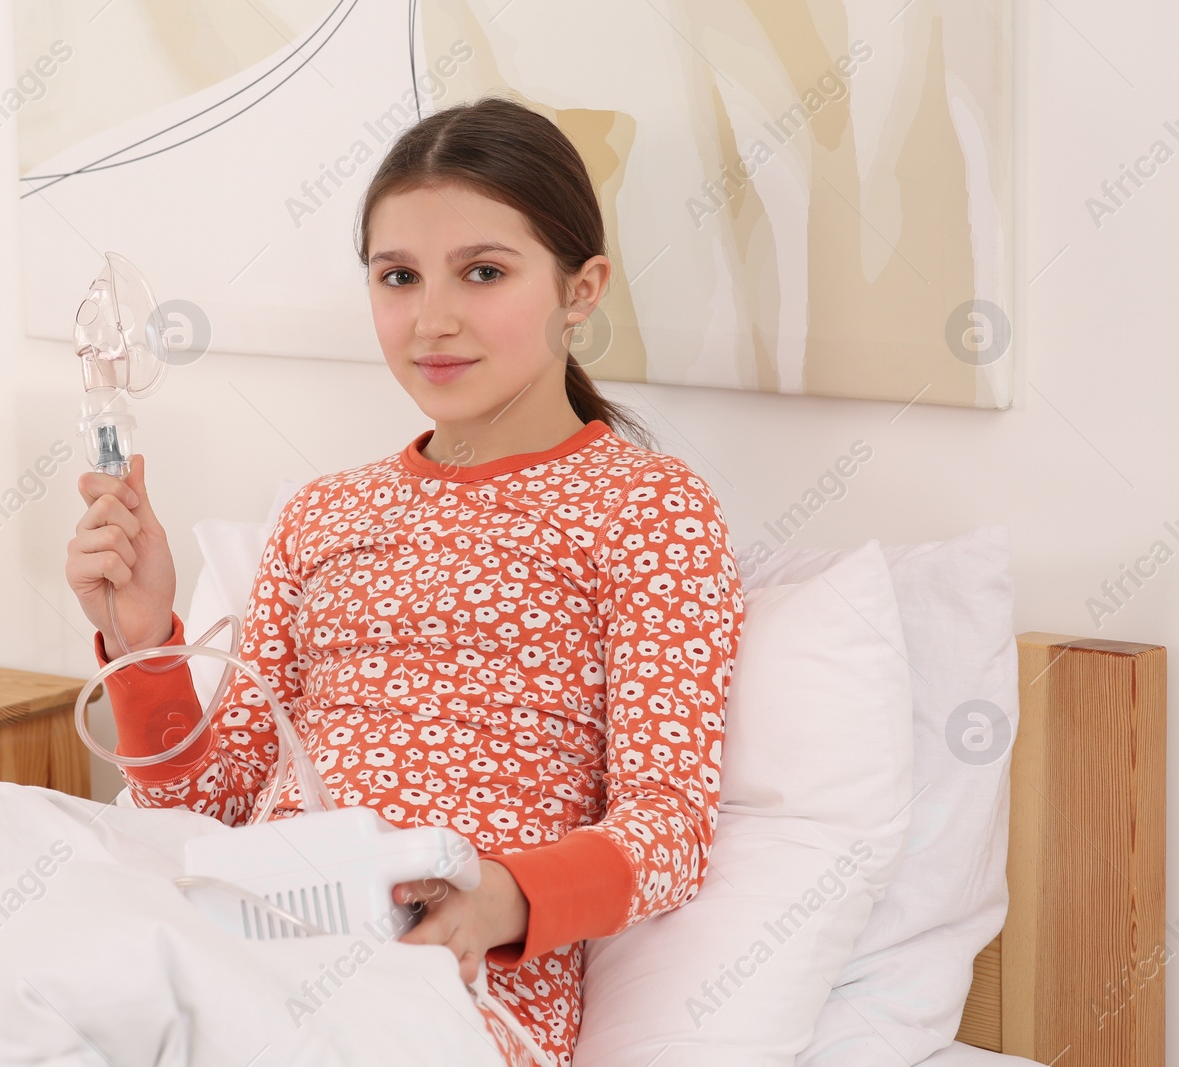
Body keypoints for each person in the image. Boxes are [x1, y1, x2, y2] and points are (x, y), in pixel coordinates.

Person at [64, 95, 746, 1067]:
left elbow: (668, 821)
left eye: (483, 271)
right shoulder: (321, 512)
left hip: (444, 978)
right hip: (239, 936)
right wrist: (142, 642)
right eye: (398, 275)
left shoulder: (649, 509)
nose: (432, 319)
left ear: (580, 287)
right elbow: (207, 805)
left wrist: (502, 899)